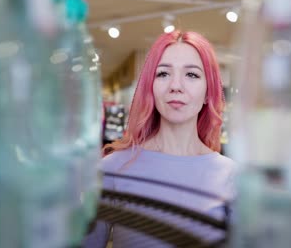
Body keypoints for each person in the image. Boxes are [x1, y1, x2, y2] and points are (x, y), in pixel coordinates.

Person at [84, 30, 237, 247]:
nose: (176, 86)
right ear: (151, 87)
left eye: (191, 75)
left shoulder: (231, 176)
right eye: (163, 74)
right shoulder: (113, 169)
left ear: (207, 92)